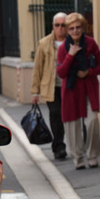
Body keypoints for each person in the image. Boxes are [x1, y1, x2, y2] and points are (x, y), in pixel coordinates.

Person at [56, 12, 100, 170]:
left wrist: (89, 72)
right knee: (72, 124)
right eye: (72, 28)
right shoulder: (63, 48)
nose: (75, 31)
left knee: (92, 121)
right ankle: (77, 157)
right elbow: (61, 73)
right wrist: (71, 55)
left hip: (88, 88)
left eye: (78, 27)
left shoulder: (91, 44)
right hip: (71, 90)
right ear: (67, 30)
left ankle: (92, 155)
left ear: (83, 28)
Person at [30, 12, 68, 160]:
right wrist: (35, 92)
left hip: (68, 86)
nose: (60, 28)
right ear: (53, 26)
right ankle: (58, 147)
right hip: (50, 87)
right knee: (56, 115)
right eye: (57, 25)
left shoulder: (71, 42)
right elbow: (37, 68)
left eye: (63, 25)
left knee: (69, 117)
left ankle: (75, 144)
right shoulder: (44, 43)